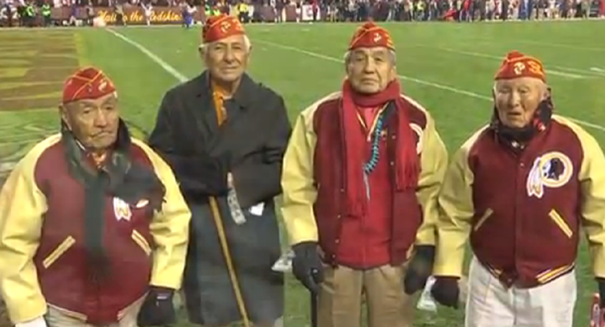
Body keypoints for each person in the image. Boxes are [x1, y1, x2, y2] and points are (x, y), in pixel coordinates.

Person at [281, 21, 448, 327]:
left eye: (379, 58)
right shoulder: (318, 116)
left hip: (395, 259)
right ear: (347, 67)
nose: (369, 67)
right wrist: (303, 241)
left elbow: (433, 187)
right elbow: (297, 184)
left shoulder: (416, 118)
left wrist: (425, 246)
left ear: (392, 69)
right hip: (334, 258)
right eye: (360, 58)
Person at [0, 67, 191, 327]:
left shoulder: (144, 160)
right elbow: (13, 243)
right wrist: (28, 315)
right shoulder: (41, 164)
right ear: (65, 116)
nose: (103, 121)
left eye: (109, 108)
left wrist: (164, 286)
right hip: (62, 312)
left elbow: (173, 223)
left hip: (132, 307)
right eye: (88, 111)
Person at [430, 50, 605, 327]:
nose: (513, 101)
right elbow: (454, 213)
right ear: (493, 94)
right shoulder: (474, 149)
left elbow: (601, 211)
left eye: (524, 91)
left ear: (545, 95)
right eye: (505, 91)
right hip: (490, 280)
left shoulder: (576, 143)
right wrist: (447, 270)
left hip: (551, 283)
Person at [148, 14, 291, 327]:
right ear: (203, 54)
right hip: (203, 231)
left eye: (237, 48)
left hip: (254, 234)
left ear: (248, 54)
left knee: (262, 314)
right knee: (210, 315)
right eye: (219, 48)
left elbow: (284, 166)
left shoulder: (268, 104)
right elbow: (158, 160)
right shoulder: (178, 102)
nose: (229, 57)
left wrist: (236, 182)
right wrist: (203, 177)